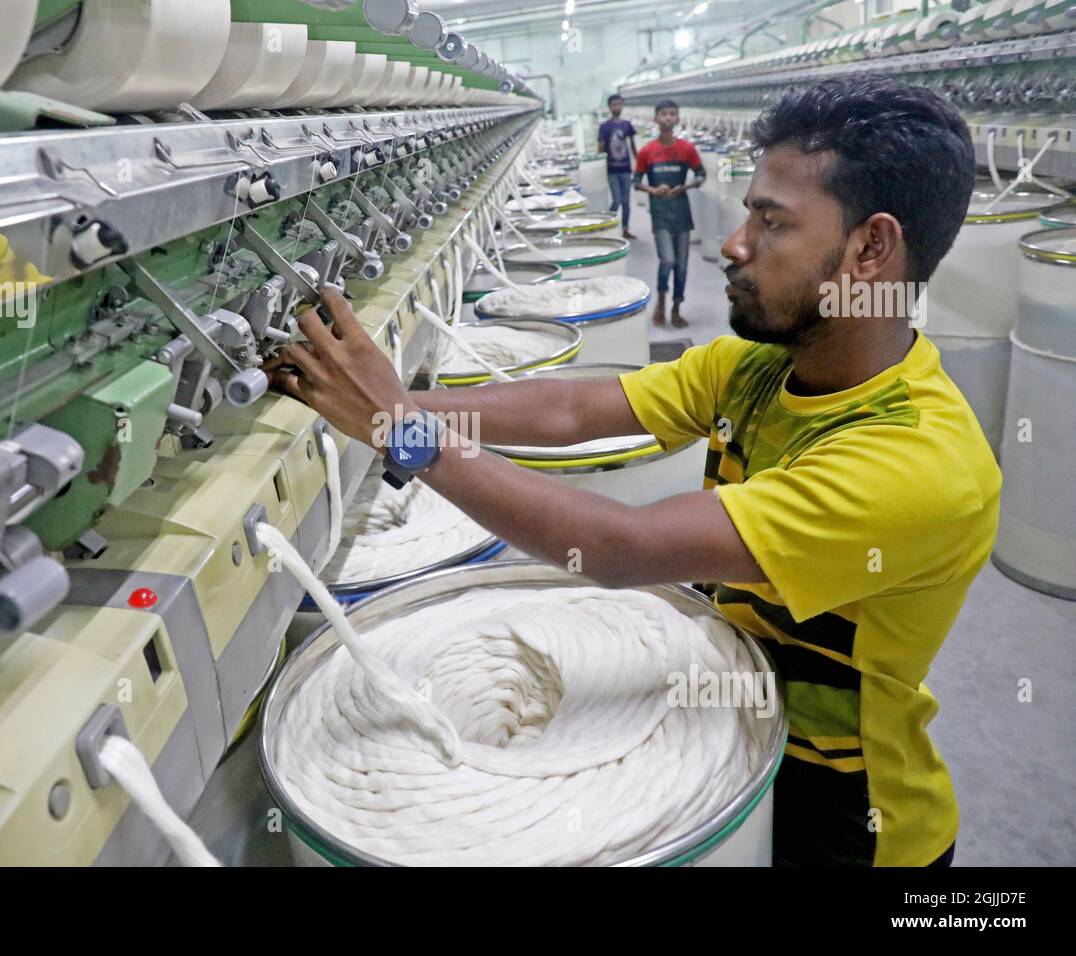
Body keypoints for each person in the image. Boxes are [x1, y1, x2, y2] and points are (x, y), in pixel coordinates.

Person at [266, 76, 994, 867]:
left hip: (849, 814)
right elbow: (574, 413)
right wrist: (395, 397)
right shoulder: (755, 366)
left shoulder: (917, 463)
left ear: (871, 249)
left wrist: (401, 430)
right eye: (748, 210)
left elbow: (623, 545)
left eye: (771, 222)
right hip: (737, 721)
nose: (735, 242)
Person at [634, 98, 705, 329]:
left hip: (682, 212)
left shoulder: (688, 149)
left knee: (682, 265)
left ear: (677, 118)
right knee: (668, 260)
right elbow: (636, 182)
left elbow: (701, 175)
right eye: (664, 114)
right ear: (656, 118)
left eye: (672, 114)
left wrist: (685, 187)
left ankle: (676, 307)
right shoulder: (647, 151)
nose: (668, 118)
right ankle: (661, 300)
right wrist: (654, 189)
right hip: (660, 212)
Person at [598, 94, 638, 240]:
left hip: (625, 168)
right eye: (614, 104)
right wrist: (599, 164)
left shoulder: (627, 125)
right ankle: (608, 225)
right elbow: (601, 147)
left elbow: (632, 145)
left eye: (619, 104)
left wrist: (638, 162)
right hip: (612, 169)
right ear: (609, 107)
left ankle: (625, 228)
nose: (617, 107)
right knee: (617, 200)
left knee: (626, 201)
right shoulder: (604, 127)